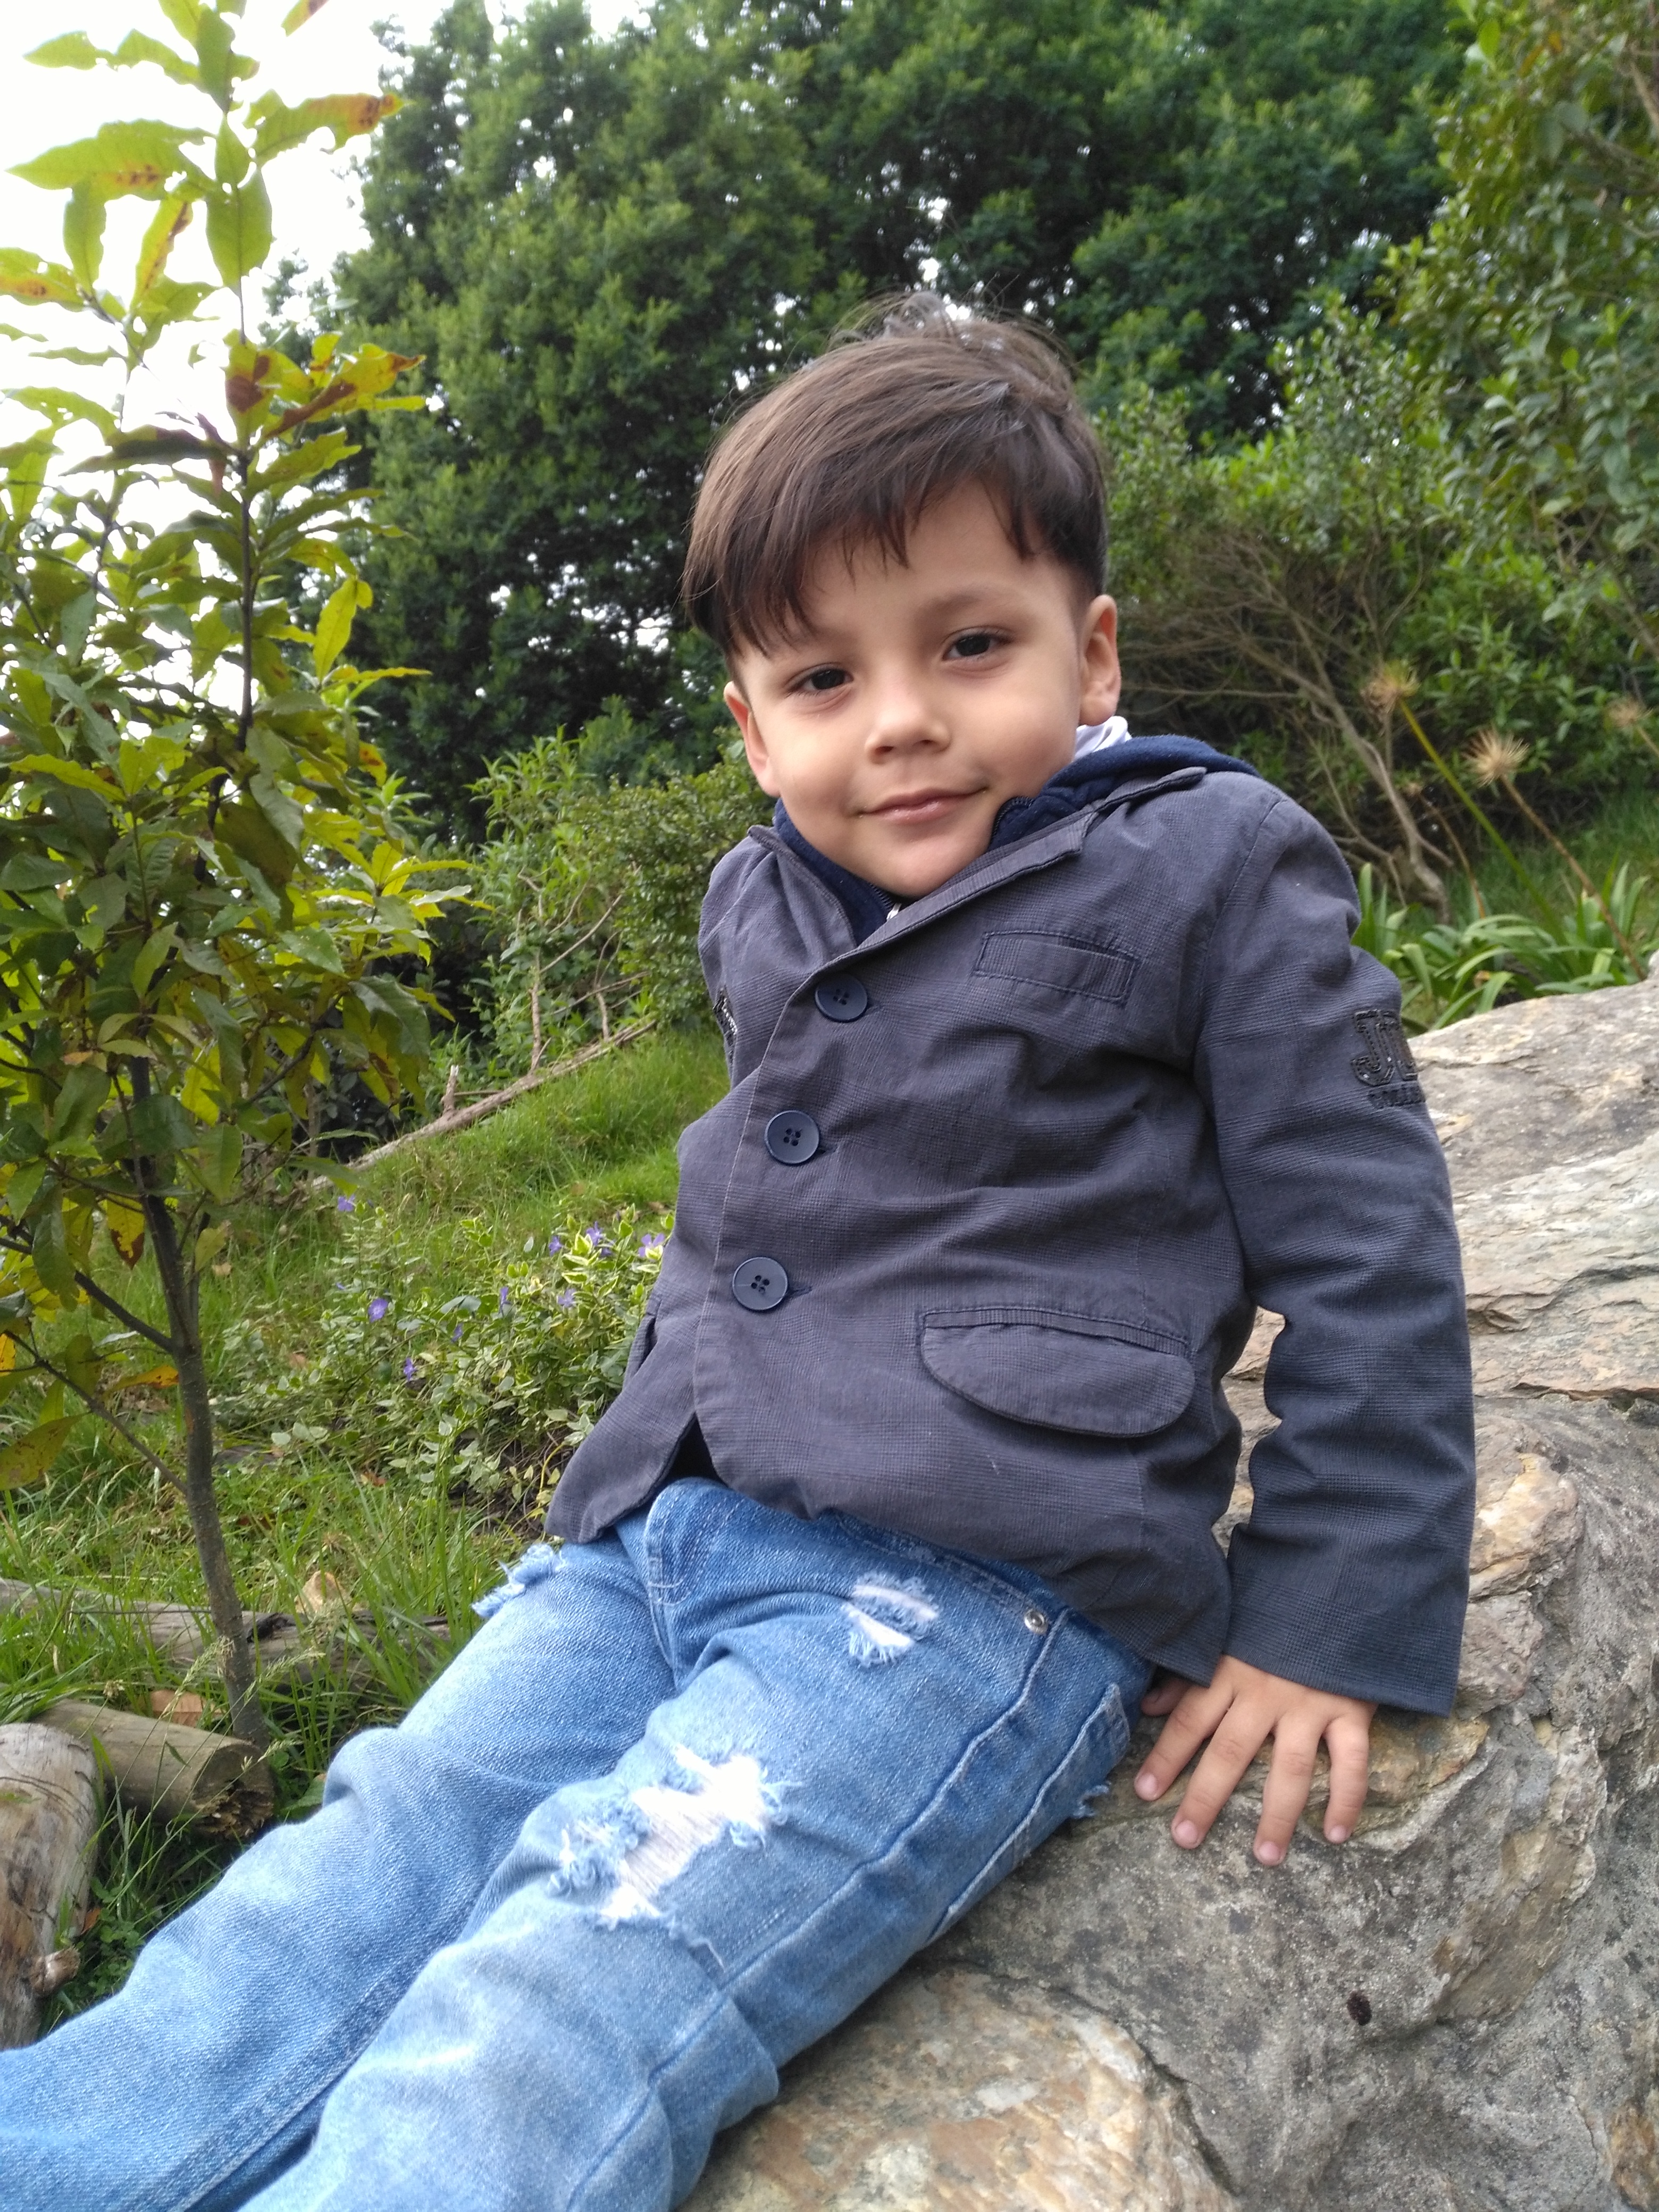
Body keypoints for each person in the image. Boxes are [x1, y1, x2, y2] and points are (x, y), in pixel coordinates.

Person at [0, 300, 1474, 2212]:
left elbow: (1369, 1235)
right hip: (653, 1543)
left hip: (962, 1590)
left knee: (559, 1992)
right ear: (753, 724)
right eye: (823, 677)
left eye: (970, 644)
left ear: (1092, 648)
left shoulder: (1208, 862)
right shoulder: (756, 900)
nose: (902, 718)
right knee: (354, 1875)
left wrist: (1325, 1610)